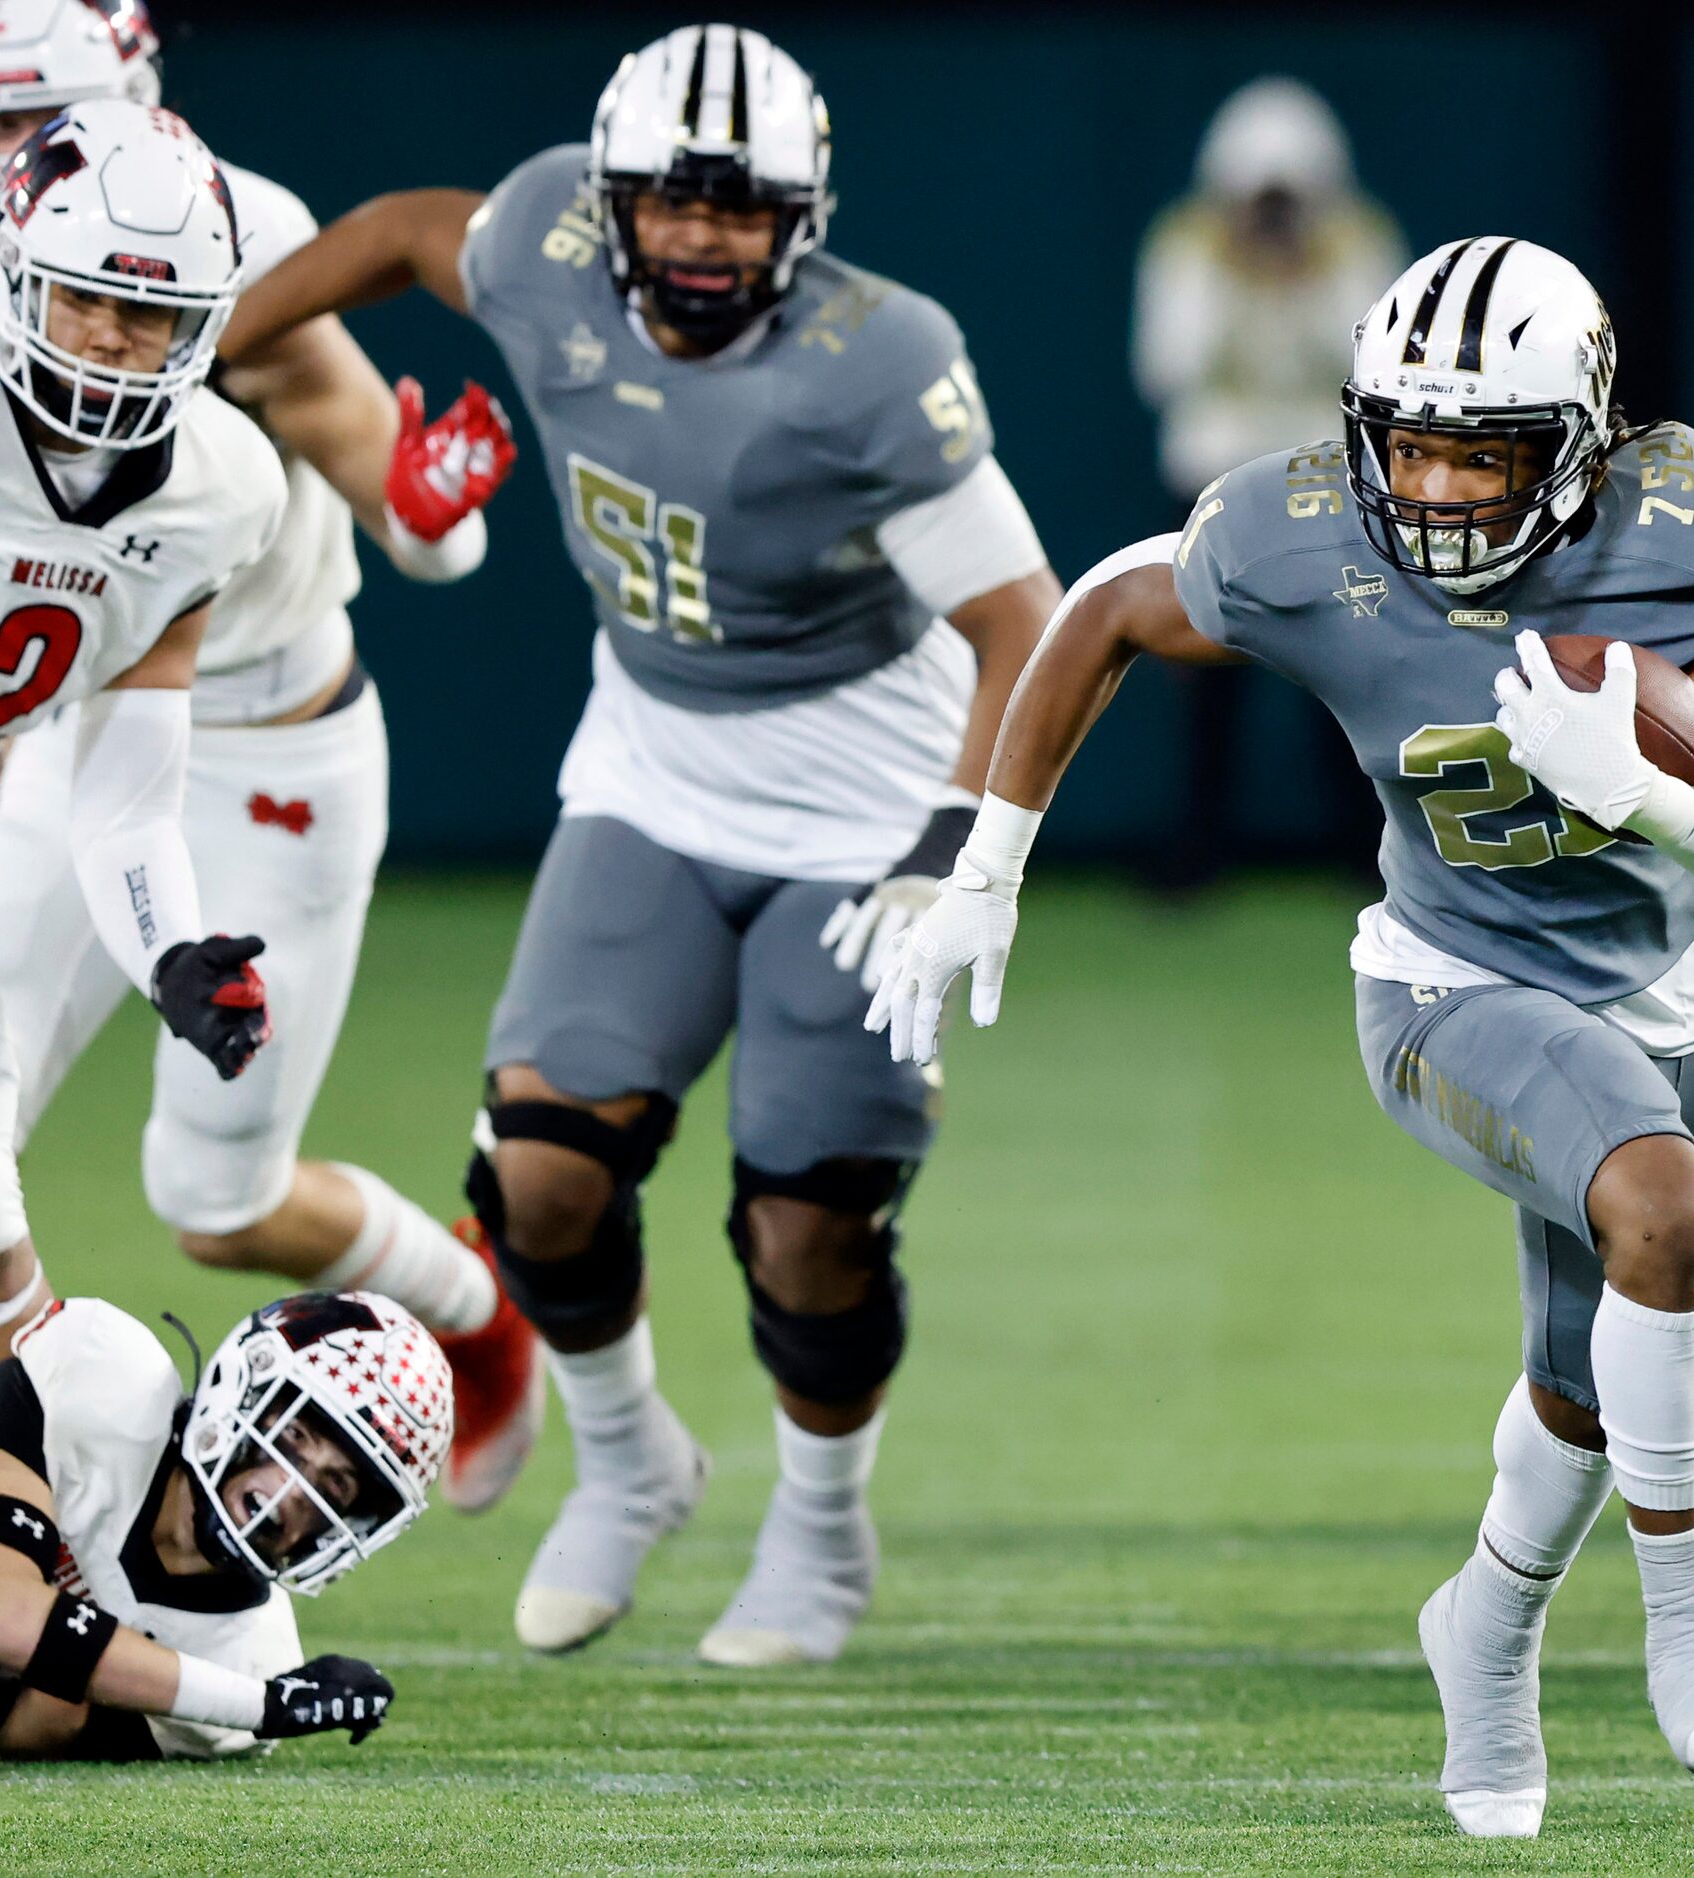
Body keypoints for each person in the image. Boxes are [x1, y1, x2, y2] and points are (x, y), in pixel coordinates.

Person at [870, 236, 1694, 1839]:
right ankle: (1691, 1605)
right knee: (1671, 1218)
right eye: (1413, 443)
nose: (1441, 488)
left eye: (1486, 450)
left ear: (1582, 446)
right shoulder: (1304, 538)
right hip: (1448, 983)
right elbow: (1104, 603)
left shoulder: (1690, 534)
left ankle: (1489, 1631)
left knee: (1588, 1380)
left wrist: (1647, 788)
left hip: (1661, 990)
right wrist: (986, 860)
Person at [216, 24, 1062, 1665]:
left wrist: (966, 846)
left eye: (740, 208)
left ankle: (819, 1530)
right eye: (669, 200)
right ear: (606, 201)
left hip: (865, 794)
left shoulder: (875, 363)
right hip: (655, 765)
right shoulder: (540, 244)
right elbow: (399, 229)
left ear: (801, 220)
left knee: (807, 1215)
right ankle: (626, 1457)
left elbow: (1022, 622)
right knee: (537, 1173)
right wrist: (207, 348)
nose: (697, 236)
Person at [0, 0, 539, 1511]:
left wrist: (431, 513)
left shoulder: (224, 390)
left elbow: (403, 522)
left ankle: (483, 1318)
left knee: (206, 1196)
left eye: (28, 115)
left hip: (254, 729)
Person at [0, 99, 282, 1416]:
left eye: (146, 313)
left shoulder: (219, 493)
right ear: (8, 276)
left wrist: (171, 947)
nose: (110, 340)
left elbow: (124, 789)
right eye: (80, 299)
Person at [0, 1290, 440, 1765]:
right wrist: (261, 1706)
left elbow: (8, 1725)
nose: (292, 1491)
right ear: (243, 1386)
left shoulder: (252, 1657)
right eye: (294, 1436)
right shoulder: (104, 1371)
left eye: (336, 1487)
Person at [1133, 78, 1403, 887]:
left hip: (1333, 479)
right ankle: (1194, 853)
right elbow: (1167, 366)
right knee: (1204, 671)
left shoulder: (1356, 242)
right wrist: (1235, 274)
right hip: (1215, 478)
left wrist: (1307, 279)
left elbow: (1375, 363)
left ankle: (1367, 850)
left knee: (1349, 664)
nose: (1277, 216)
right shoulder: (1187, 245)